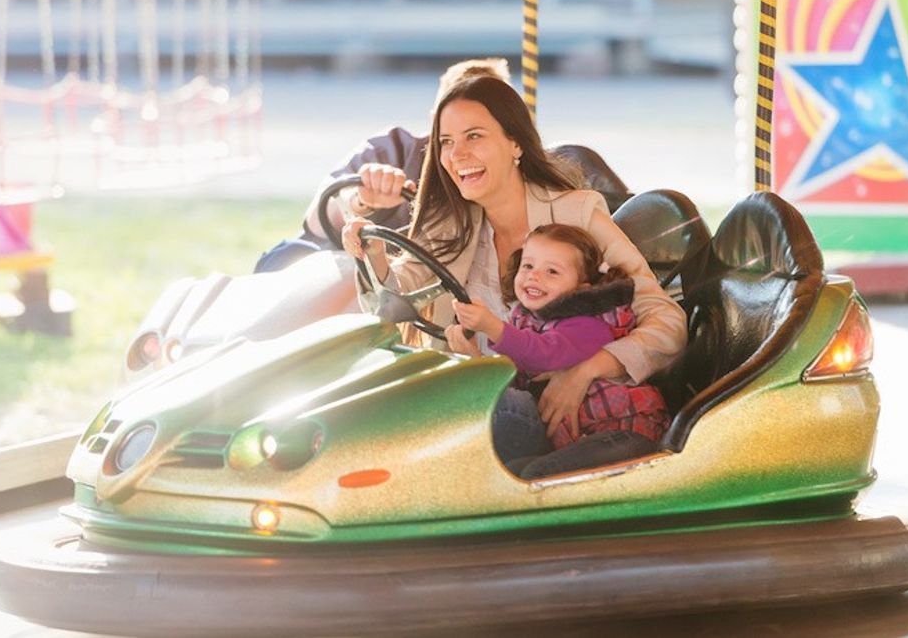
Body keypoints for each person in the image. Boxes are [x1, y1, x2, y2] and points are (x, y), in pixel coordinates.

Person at [341, 76, 686, 478]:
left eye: (474, 136)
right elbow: (393, 300)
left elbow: (667, 321)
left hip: (543, 413)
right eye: (447, 142)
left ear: (515, 144)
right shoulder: (448, 226)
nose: (458, 155)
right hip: (475, 399)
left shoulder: (576, 215)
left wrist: (586, 370)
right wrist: (374, 251)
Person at [444, 223, 669, 478]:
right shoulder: (528, 318)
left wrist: (492, 327)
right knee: (512, 474)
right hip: (574, 439)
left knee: (536, 475)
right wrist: (475, 358)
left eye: (552, 271)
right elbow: (518, 380)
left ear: (582, 287)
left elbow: (544, 353)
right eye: (527, 266)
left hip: (623, 436)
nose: (534, 276)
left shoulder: (589, 323)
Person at [253, 58, 511, 273]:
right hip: (339, 270)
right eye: (448, 128)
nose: (459, 151)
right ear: (434, 119)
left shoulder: (514, 184)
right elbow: (318, 219)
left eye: (475, 133)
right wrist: (360, 200)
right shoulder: (391, 150)